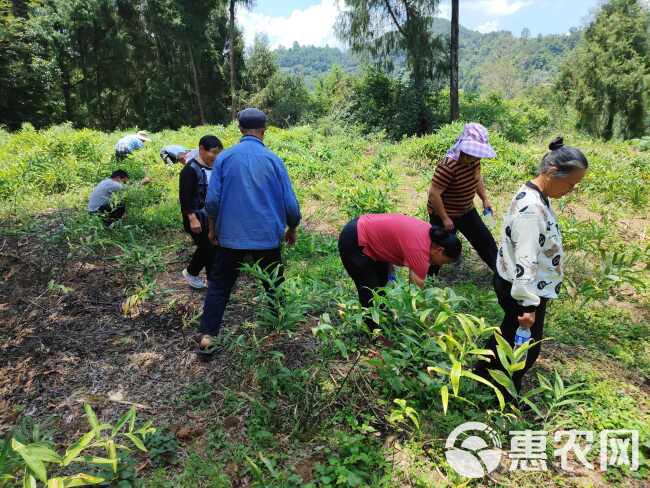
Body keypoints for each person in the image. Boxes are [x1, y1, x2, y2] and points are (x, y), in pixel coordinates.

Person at [475, 137, 588, 400]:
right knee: (525, 348)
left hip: (516, 282)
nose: (570, 190)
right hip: (523, 289)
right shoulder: (532, 210)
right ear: (551, 172)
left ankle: (482, 372)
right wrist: (528, 307)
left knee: (507, 332)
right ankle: (503, 394)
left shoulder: (534, 193)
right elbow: (526, 259)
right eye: (570, 184)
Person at [197, 108, 301, 353]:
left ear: (240, 130)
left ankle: (208, 337)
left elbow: (212, 202)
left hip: (231, 238)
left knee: (219, 286)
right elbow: (291, 206)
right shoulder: (274, 160)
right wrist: (292, 227)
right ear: (264, 132)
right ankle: (279, 331)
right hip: (267, 238)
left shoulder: (224, 158)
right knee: (274, 286)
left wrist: (213, 229)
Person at [338, 213, 461, 327]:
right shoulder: (420, 251)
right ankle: (375, 336)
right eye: (444, 261)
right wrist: (425, 323)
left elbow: (393, 239)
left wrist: (389, 271)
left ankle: (383, 323)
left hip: (364, 228)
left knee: (382, 287)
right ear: (439, 250)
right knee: (370, 294)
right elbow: (415, 294)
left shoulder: (429, 234)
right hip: (354, 240)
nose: (441, 264)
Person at [427, 123, 498, 273]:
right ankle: (428, 280)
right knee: (440, 248)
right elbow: (434, 194)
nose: (474, 158)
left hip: (466, 210)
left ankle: (502, 274)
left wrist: (484, 199)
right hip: (443, 214)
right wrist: (445, 218)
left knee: (486, 241)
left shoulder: (475, 161)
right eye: (471, 154)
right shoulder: (448, 165)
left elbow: (477, 178)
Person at [179, 135, 223, 289]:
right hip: (196, 217)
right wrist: (192, 218)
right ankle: (211, 283)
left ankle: (194, 273)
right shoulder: (190, 170)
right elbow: (185, 197)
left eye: (219, 153)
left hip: (210, 217)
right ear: (201, 149)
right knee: (209, 249)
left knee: (210, 248)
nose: (216, 156)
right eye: (213, 152)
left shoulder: (214, 168)